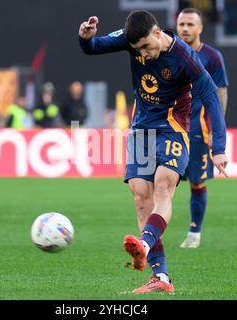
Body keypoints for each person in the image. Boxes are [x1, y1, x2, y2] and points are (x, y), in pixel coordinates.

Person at [79, 10, 228, 293]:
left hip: (173, 130)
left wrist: (218, 147)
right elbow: (94, 47)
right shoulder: (130, 39)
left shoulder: (185, 58)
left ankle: (144, 244)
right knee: (140, 198)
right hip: (141, 130)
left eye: (147, 47)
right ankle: (161, 278)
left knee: (162, 187)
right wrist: (85, 38)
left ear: (158, 33)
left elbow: (210, 95)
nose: (144, 55)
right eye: (138, 50)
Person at [176, 8, 229, 249]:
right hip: (171, 128)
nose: (185, 28)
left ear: (200, 28)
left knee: (196, 182)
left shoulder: (212, 57)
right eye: (181, 24)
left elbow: (220, 94)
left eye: (190, 24)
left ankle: (194, 232)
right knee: (161, 181)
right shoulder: (169, 51)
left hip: (198, 131)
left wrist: (217, 132)